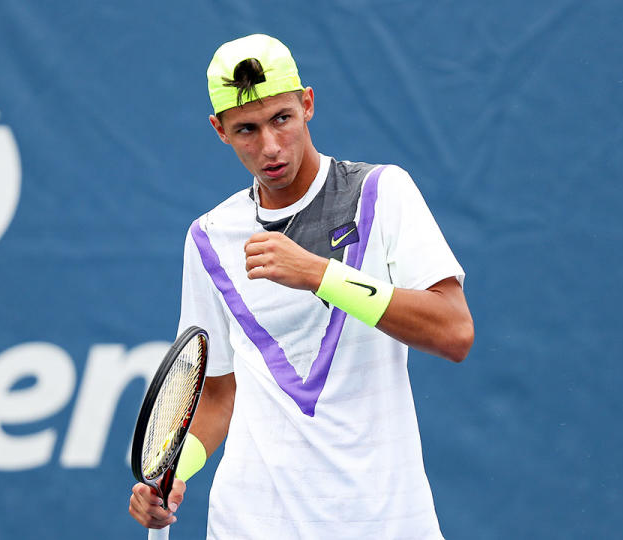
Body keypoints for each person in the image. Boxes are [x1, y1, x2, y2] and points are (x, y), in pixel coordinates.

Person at [129, 33, 473, 539]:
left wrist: (320, 274)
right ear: (219, 130)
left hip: (384, 521)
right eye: (246, 128)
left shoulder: (382, 191)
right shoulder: (209, 237)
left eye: (281, 119)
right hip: (251, 523)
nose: (270, 146)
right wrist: (177, 471)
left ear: (307, 104)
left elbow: (454, 331)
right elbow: (219, 394)